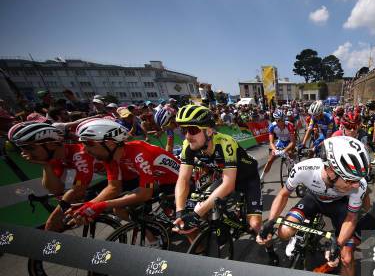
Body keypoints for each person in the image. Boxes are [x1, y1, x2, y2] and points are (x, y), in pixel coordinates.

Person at [257, 136, 370, 276]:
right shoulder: (304, 169)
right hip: (313, 200)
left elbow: (352, 216)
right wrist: (271, 221)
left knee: (346, 258)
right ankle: (297, 235)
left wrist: (339, 243)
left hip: (339, 206)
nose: (357, 185)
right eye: (350, 180)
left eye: (358, 180)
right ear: (330, 171)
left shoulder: (360, 184)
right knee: (283, 232)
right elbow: (283, 195)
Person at [172, 105, 266, 254]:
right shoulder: (188, 145)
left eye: (192, 130)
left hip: (247, 178)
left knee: (254, 225)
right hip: (226, 175)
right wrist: (180, 212)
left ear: (209, 131)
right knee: (201, 203)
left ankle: (270, 249)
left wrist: (196, 215)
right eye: (184, 130)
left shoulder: (224, 142)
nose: (187, 136)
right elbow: (183, 179)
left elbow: (228, 185)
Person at [68, 119, 179, 227]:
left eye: (89, 144)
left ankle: (159, 227)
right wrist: (89, 205)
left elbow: (145, 194)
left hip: (179, 181)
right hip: (159, 181)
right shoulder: (110, 157)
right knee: (119, 208)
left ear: (110, 143)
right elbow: (113, 187)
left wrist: (101, 205)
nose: (86, 150)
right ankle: (153, 233)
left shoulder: (139, 154)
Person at [7, 122, 100, 232]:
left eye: (29, 148)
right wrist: (45, 165)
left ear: (51, 144)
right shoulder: (56, 159)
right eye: (22, 149)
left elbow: (79, 188)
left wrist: (54, 217)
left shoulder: (80, 154)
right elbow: (55, 189)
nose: (25, 153)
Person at [261, 109, 296, 182]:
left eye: (283, 119)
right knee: (270, 159)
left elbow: (292, 142)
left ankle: (293, 169)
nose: (282, 122)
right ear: (276, 121)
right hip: (281, 141)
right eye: (280, 120)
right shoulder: (272, 126)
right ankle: (262, 178)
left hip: (289, 141)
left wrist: (284, 150)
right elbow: (271, 142)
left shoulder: (289, 125)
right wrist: (275, 150)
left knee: (290, 154)